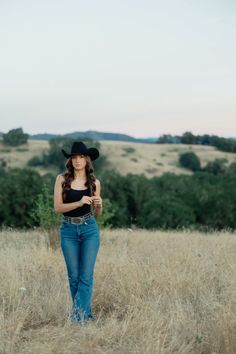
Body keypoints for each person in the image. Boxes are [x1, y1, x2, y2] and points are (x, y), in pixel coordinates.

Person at [54, 141, 102, 324]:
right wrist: (79, 202)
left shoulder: (95, 183)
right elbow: (58, 207)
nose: (77, 161)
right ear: (70, 160)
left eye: (81, 157)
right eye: (74, 157)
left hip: (89, 229)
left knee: (86, 276)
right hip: (68, 230)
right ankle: (84, 315)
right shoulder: (61, 179)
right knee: (74, 277)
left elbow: (96, 214)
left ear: (87, 159)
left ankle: (77, 318)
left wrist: (99, 206)